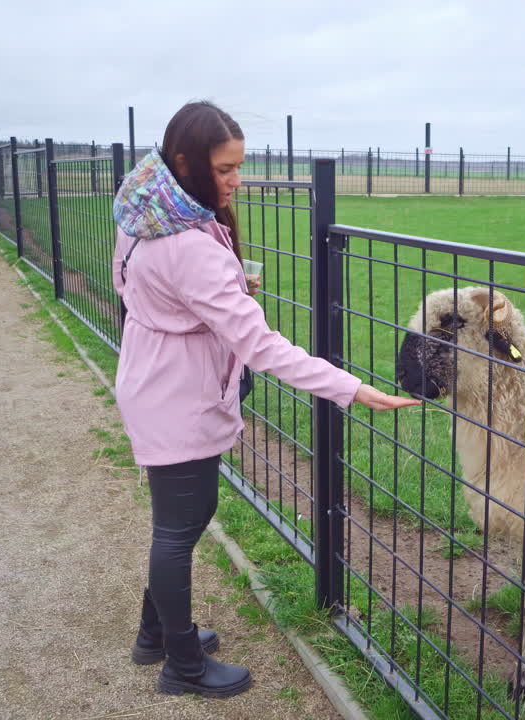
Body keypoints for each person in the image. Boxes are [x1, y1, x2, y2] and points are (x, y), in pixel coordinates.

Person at [110, 101, 418, 699]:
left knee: (183, 520)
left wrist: (211, 296)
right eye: (225, 169)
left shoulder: (144, 210)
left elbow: (136, 284)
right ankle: (182, 666)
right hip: (178, 397)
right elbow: (259, 344)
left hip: (156, 378)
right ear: (184, 162)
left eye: (238, 167)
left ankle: (160, 635)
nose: (235, 181)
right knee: (179, 528)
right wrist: (350, 387)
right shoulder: (190, 245)